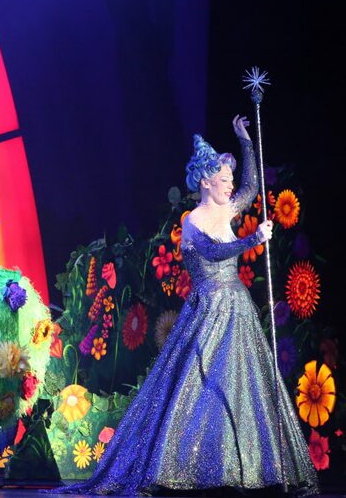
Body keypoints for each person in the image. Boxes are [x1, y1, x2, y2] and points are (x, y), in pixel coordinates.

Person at [51, 116, 318, 495]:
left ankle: (246, 469)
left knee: (243, 386)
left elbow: (253, 186)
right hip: (208, 310)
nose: (230, 185)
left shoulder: (228, 210)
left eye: (230, 180)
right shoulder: (194, 221)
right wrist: (253, 239)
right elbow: (213, 251)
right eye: (224, 179)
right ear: (206, 181)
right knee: (199, 384)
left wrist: (244, 142)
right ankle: (189, 466)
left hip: (237, 309)